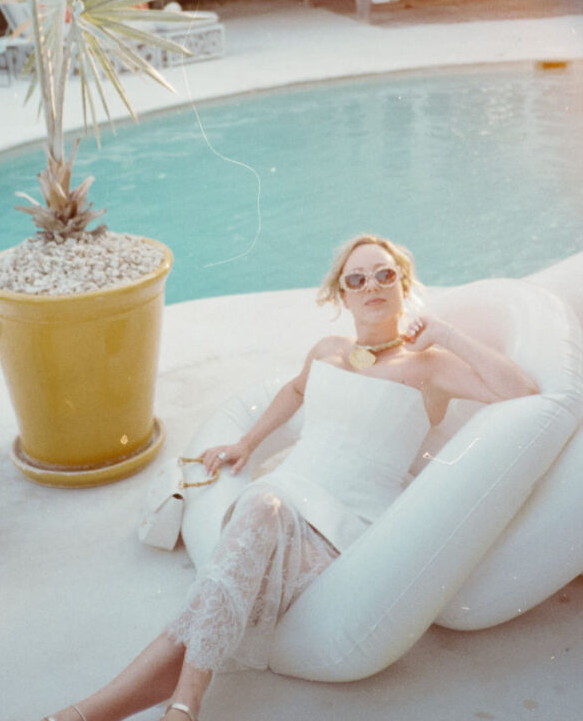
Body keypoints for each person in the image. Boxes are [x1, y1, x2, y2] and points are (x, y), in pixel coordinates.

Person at [44, 234, 538, 721]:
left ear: (403, 284)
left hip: (348, 527)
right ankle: (166, 708)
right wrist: (247, 442)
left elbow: (523, 390)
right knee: (256, 519)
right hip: (284, 499)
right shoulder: (328, 349)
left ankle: (104, 711)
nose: (372, 285)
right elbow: (295, 391)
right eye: (357, 278)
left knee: (245, 537)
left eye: (385, 274)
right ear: (341, 294)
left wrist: (447, 335)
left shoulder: (429, 367)